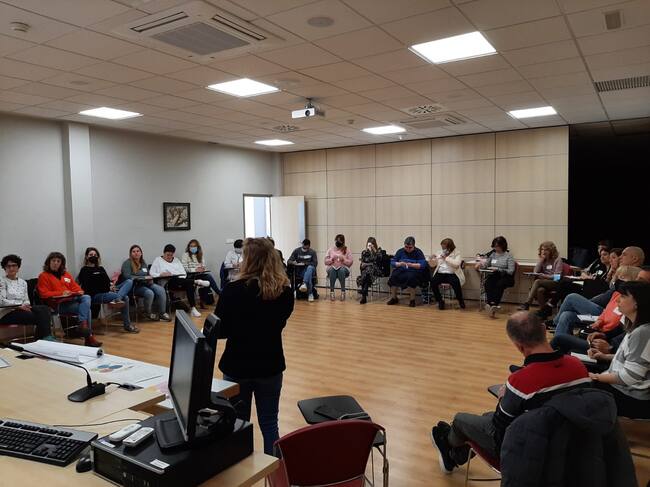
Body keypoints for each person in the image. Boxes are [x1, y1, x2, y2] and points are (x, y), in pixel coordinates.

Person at [430, 312, 590, 474]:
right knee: (486, 416)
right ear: (543, 329)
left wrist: (503, 398)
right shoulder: (578, 366)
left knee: (460, 420)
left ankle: (448, 448)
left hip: (525, 451)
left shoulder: (520, 381)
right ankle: (457, 454)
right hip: (568, 443)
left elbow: (498, 429)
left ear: (518, 346)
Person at [215, 237, 294, 455]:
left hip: (237, 366)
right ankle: (274, 469)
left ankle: (242, 467)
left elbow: (220, 331)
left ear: (248, 260)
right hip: (270, 365)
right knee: (270, 423)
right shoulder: (284, 292)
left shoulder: (232, 290)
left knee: (238, 424)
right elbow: (279, 322)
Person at [589, 281, 650, 418]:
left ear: (636, 303)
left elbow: (629, 377)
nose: (617, 300)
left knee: (574, 389)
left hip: (630, 396)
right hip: (622, 388)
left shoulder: (642, 333)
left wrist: (595, 377)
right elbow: (633, 361)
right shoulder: (637, 328)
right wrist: (604, 356)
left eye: (623, 296)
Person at [551, 265, 641, 337]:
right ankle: (561, 343)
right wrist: (599, 321)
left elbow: (616, 323)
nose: (618, 280)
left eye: (623, 278)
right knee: (566, 314)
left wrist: (600, 326)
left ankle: (556, 328)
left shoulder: (630, 301)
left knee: (571, 297)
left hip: (603, 331)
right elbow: (606, 311)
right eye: (618, 277)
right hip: (600, 321)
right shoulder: (616, 294)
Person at [37, 252, 101, 347]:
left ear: (61, 263)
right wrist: (61, 293)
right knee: (87, 310)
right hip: (57, 305)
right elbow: (44, 294)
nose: (55, 263)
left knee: (86, 297)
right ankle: (88, 337)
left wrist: (79, 291)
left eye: (58, 261)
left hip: (70, 300)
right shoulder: (43, 276)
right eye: (53, 261)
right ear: (48, 262)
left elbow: (76, 287)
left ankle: (83, 326)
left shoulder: (66, 274)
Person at [77, 247, 138, 333]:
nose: (93, 256)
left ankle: (118, 298)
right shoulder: (84, 270)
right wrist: (105, 287)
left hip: (107, 291)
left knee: (129, 281)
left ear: (98, 257)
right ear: (87, 257)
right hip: (95, 295)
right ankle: (127, 325)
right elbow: (86, 286)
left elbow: (107, 281)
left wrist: (111, 285)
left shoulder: (101, 269)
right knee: (126, 298)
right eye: (91, 255)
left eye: (95, 255)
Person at [0, 254, 54, 341]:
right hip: (6, 312)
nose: (11, 268)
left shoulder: (23, 282)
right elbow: (2, 301)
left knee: (45, 309)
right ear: (4, 268)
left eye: (14, 265)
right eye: (8, 266)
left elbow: (26, 299)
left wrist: (25, 305)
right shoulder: (1, 281)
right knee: (40, 317)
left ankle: (43, 339)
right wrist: (19, 306)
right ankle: (43, 339)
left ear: (18, 267)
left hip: (22, 309)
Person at [150, 244, 210, 318]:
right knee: (183, 281)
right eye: (167, 255)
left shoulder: (176, 260)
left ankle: (193, 308)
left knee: (189, 284)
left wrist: (175, 275)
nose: (169, 257)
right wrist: (160, 274)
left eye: (171, 255)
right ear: (164, 253)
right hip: (167, 283)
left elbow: (183, 273)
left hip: (180, 281)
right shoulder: (158, 260)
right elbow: (151, 273)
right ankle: (196, 281)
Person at [120, 244, 170, 322]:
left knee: (160, 289)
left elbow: (147, 273)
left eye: (138, 251)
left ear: (141, 253)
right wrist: (143, 277)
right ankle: (148, 313)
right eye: (133, 251)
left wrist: (150, 278)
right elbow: (127, 276)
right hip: (134, 286)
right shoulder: (127, 263)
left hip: (146, 283)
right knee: (149, 293)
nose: (136, 253)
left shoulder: (143, 262)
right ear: (131, 254)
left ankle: (162, 313)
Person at [476, 236, 515, 318]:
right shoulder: (493, 254)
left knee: (499, 284)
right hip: (495, 275)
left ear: (502, 245)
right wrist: (481, 263)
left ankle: (493, 304)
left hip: (506, 276)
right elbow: (486, 265)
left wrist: (498, 269)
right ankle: (491, 304)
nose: (495, 248)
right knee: (487, 283)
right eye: (494, 246)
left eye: (497, 246)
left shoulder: (509, 256)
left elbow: (511, 271)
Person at [519, 241, 563, 310]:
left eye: (546, 250)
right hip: (544, 282)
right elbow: (535, 272)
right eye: (542, 249)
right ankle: (544, 311)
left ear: (551, 250)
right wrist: (541, 260)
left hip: (555, 283)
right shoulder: (543, 260)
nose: (543, 252)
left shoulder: (558, 260)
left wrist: (545, 276)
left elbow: (557, 277)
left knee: (537, 281)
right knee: (540, 290)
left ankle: (527, 303)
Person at [387, 236, 428, 308]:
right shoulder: (400, 251)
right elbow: (392, 262)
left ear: (414, 246)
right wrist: (399, 264)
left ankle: (412, 300)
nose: (408, 249)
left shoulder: (418, 252)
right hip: (401, 269)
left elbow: (423, 265)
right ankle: (394, 298)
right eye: (406, 247)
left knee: (411, 278)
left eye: (410, 247)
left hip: (413, 270)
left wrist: (411, 265)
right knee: (393, 277)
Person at [429, 238, 465, 310]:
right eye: (442, 247)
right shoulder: (439, 252)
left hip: (452, 273)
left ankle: (460, 300)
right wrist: (431, 259)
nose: (443, 249)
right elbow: (432, 265)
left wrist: (446, 258)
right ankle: (440, 301)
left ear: (450, 247)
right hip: (440, 273)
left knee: (456, 283)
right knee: (433, 282)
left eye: (444, 248)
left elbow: (457, 264)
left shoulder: (456, 253)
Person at [181, 239, 220, 306]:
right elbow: (185, 268)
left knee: (208, 277)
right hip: (190, 276)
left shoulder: (200, 254)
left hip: (199, 274)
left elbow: (203, 265)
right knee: (207, 278)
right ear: (189, 247)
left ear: (197, 247)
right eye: (191, 246)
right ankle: (219, 293)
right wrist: (195, 270)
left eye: (194, 246)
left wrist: (202, 268)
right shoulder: (185, 255)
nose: (193, 248)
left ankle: (211, 297)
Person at [324, 234, 353, 301]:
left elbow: (350, 262)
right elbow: (325, 262)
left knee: (341, 270)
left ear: (343, 242)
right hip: (332, 268)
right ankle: (332, 292)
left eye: (339, 241)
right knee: (332, 270)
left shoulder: (347, 250)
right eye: (337, 240)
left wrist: (344, 259)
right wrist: (331, 259)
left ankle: (343, 292)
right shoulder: (330, 250)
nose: (337, 242)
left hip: (344, 269)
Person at [357, 237, 384, 305]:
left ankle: (364, 295)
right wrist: (362, 265)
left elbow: (380, 259)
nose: (370, 246)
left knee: (368, 271)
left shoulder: (378, 251)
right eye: (369, 244)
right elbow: (362, 263)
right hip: (366, 271)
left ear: (374, 244)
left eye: (372, 244)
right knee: (367, 272)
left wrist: (374, 250)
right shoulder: (364, 252)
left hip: (376, 270)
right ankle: (364, 293)